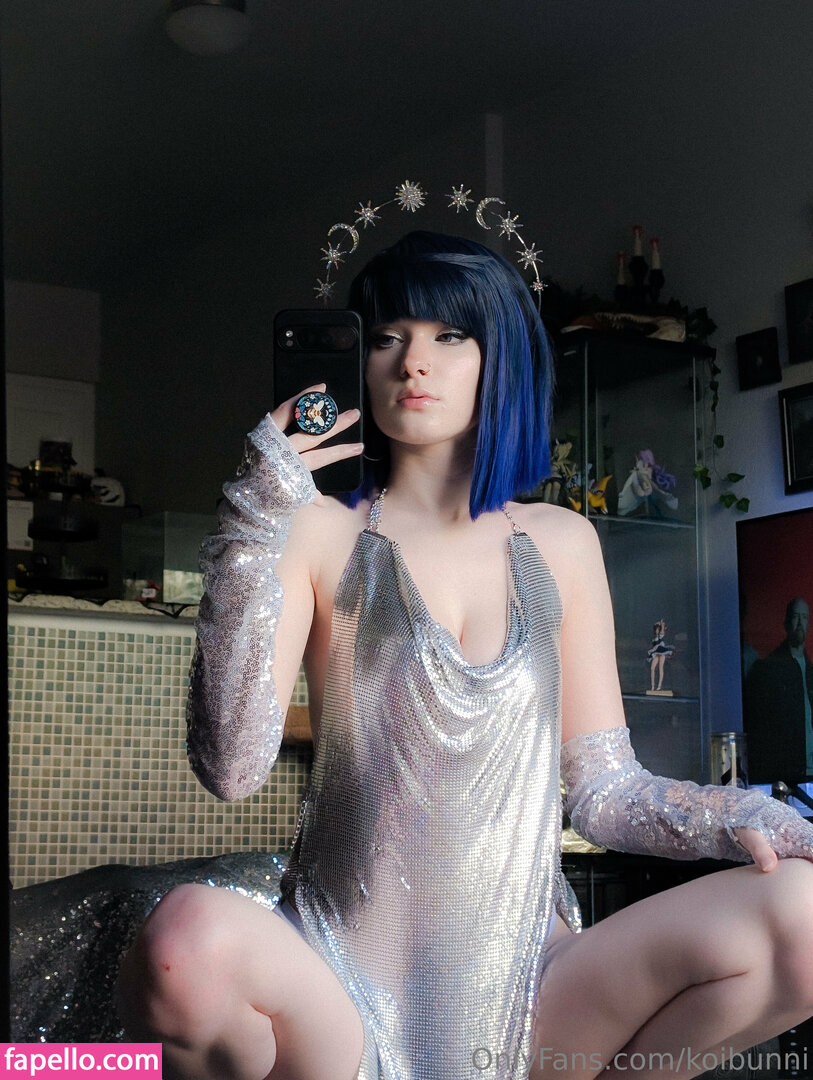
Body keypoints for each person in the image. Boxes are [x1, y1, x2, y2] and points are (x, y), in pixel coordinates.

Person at [116, 231, 813, 1080]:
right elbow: (230, 767)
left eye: (449, 335)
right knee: (185, 942)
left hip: (534, 996)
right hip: (338, 995)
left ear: (500, 358)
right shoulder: (315, 532)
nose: (413, 361)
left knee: (804, 913)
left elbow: (602, 792)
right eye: (386, 336)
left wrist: (739, 817)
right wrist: (254, 519)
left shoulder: (562, 541)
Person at [744, 597, 813, 782]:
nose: (800, 623)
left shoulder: (811, 672)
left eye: (805, 617)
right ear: (786, 623)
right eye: (796, 616)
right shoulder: (767, 670)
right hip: (785, 776)